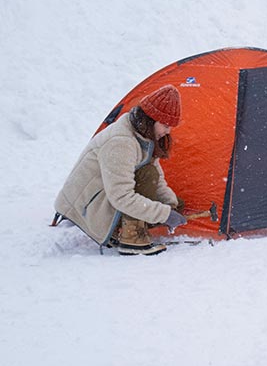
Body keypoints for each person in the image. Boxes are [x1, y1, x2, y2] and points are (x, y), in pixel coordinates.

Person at [54, 84, 188, 256]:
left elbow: (158, 179)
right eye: (165, 125)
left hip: (104, 196)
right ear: (151, 119)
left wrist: (170, 206)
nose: (167, 131)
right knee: (148, 177)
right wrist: (164, 214)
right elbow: (121, 196)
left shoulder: (143, 135)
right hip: (86, 208)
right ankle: (131, 238)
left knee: (169, 198)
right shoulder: (121, 142)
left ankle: (131, 226)